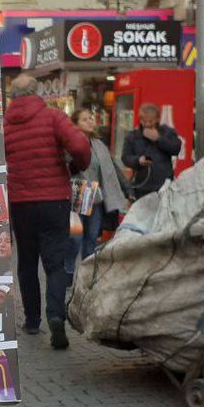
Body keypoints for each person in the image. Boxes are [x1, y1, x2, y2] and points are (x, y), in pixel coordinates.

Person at [3, 73, 91, 349]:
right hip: (54, 200)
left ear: (13, 96)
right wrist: (76, 165)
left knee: (27, 262)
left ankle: (31, 321)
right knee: (54, 263)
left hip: (20, 203)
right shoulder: (53, 117)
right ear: (36, 91)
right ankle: (55, 316)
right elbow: (79, 146)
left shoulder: (4, 124)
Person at [65, 107, 128, 282]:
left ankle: (87, 276)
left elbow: (112, 168)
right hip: (79, 192)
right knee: (75, 239)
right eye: (85, 119)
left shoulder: (99, 144)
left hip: (97, 195)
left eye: (91, 118)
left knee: (92, 238)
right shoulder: (70, 143)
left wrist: (126, 188)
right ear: (75, 125)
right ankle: (68, 273)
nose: (91, 121)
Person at [121, 103, 181, 199]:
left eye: (150, 121)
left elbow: (176, 149)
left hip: (164, 186)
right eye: (144, 121)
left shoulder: (167, 132)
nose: (147, 124)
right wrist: (138, 160)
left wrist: (158, 139)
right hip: (142, 187)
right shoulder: (133, 136)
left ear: (157, 119)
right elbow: (125, 157)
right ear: (140, 120)